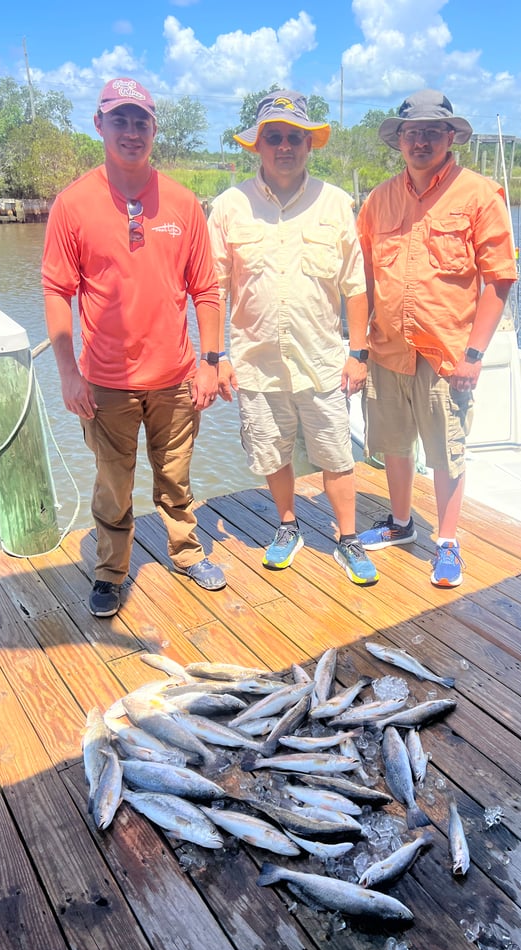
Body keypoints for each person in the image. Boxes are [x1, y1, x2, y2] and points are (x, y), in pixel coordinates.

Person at [41, 78, 226, 618]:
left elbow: (206, 289)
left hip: (175, 378)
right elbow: (57, 290)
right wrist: (68, 373)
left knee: (176, 476)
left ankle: (186, 553)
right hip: (105, 383)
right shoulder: (73, 204)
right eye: (119, 120)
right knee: (112, 485)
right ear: (99, 124)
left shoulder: (185, 203)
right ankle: (110, 571)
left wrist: (211, 362)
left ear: (153, 129)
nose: (131, 131)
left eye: (140, 121)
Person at [207, 90, 378, 586]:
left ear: (309, 145)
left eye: (294, 138)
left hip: (322, 358)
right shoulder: (228, 207)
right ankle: (288, 526)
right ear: (258, 145)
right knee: (271, 451)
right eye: (274, 137)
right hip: (256, 361)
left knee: (336, 453)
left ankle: (347, 539)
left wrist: (358, 352)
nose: (285, 146)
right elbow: (213, 287)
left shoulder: (335, 203)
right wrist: (216, 357)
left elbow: (356, 286)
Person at [356, 89, 518, 587]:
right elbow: (359, 277)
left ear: (450, 137)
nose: (420, 140)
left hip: (447, 354)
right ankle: (401, 524)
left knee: (447, 450)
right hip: (386, 349)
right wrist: (357, 348)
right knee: (394, 444)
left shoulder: (479, 194)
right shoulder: (379, 198)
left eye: (431, 131)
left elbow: (500, 278)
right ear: (398, 140)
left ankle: (447, 542)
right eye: (411, 132)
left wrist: (474, 355)